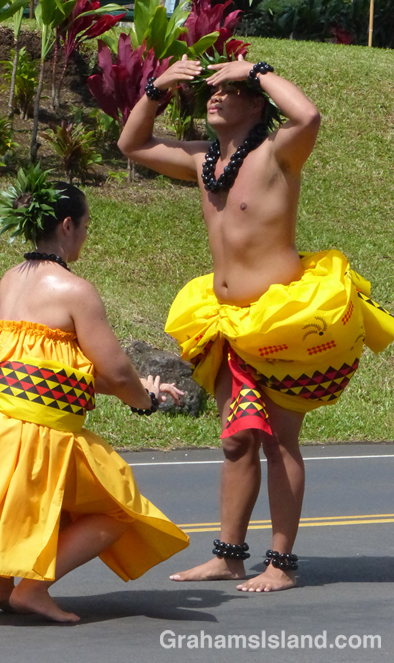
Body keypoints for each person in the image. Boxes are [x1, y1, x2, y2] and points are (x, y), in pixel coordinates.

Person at [118, 55, 394, 592]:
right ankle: (229, 555)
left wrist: (255, 68)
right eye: (210, 94)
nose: (215, 98)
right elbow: (132, 146)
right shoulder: (203, 161)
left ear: (255, 104)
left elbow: (308, 116)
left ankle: (282, 563)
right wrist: (156, 88)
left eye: (228, 92)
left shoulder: (276, 154)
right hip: (229, 324)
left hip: (284, 324)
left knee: (279, 442)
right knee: (236, 441)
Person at [0, 180, 189, 622]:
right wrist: (144, 403)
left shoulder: (10, 280)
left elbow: (45, 370)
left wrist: (144, 388)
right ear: (68, 225)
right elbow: (112, 370)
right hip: (31, 428)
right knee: (117, 508)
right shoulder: (75, 290)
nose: (87, 236)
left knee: (34, 502)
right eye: (87, 226)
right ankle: (32, 588)